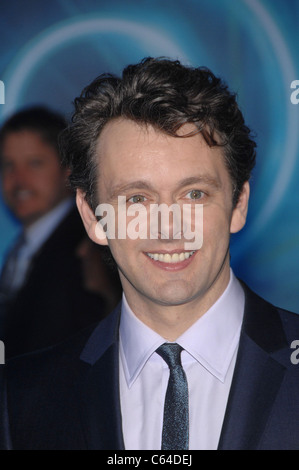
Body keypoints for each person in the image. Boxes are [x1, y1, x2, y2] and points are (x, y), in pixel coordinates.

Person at [4, 58, 299, 450]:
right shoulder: (21, 399)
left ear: (238, 203)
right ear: (93, 217)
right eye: (137, 199)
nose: (168, 226)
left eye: (194, 194)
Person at [0, 106, 113, 358]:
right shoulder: (21, 248)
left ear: (68, 170)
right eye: (8, 165)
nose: (18, 180)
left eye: (34, 163)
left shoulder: (94, 244)